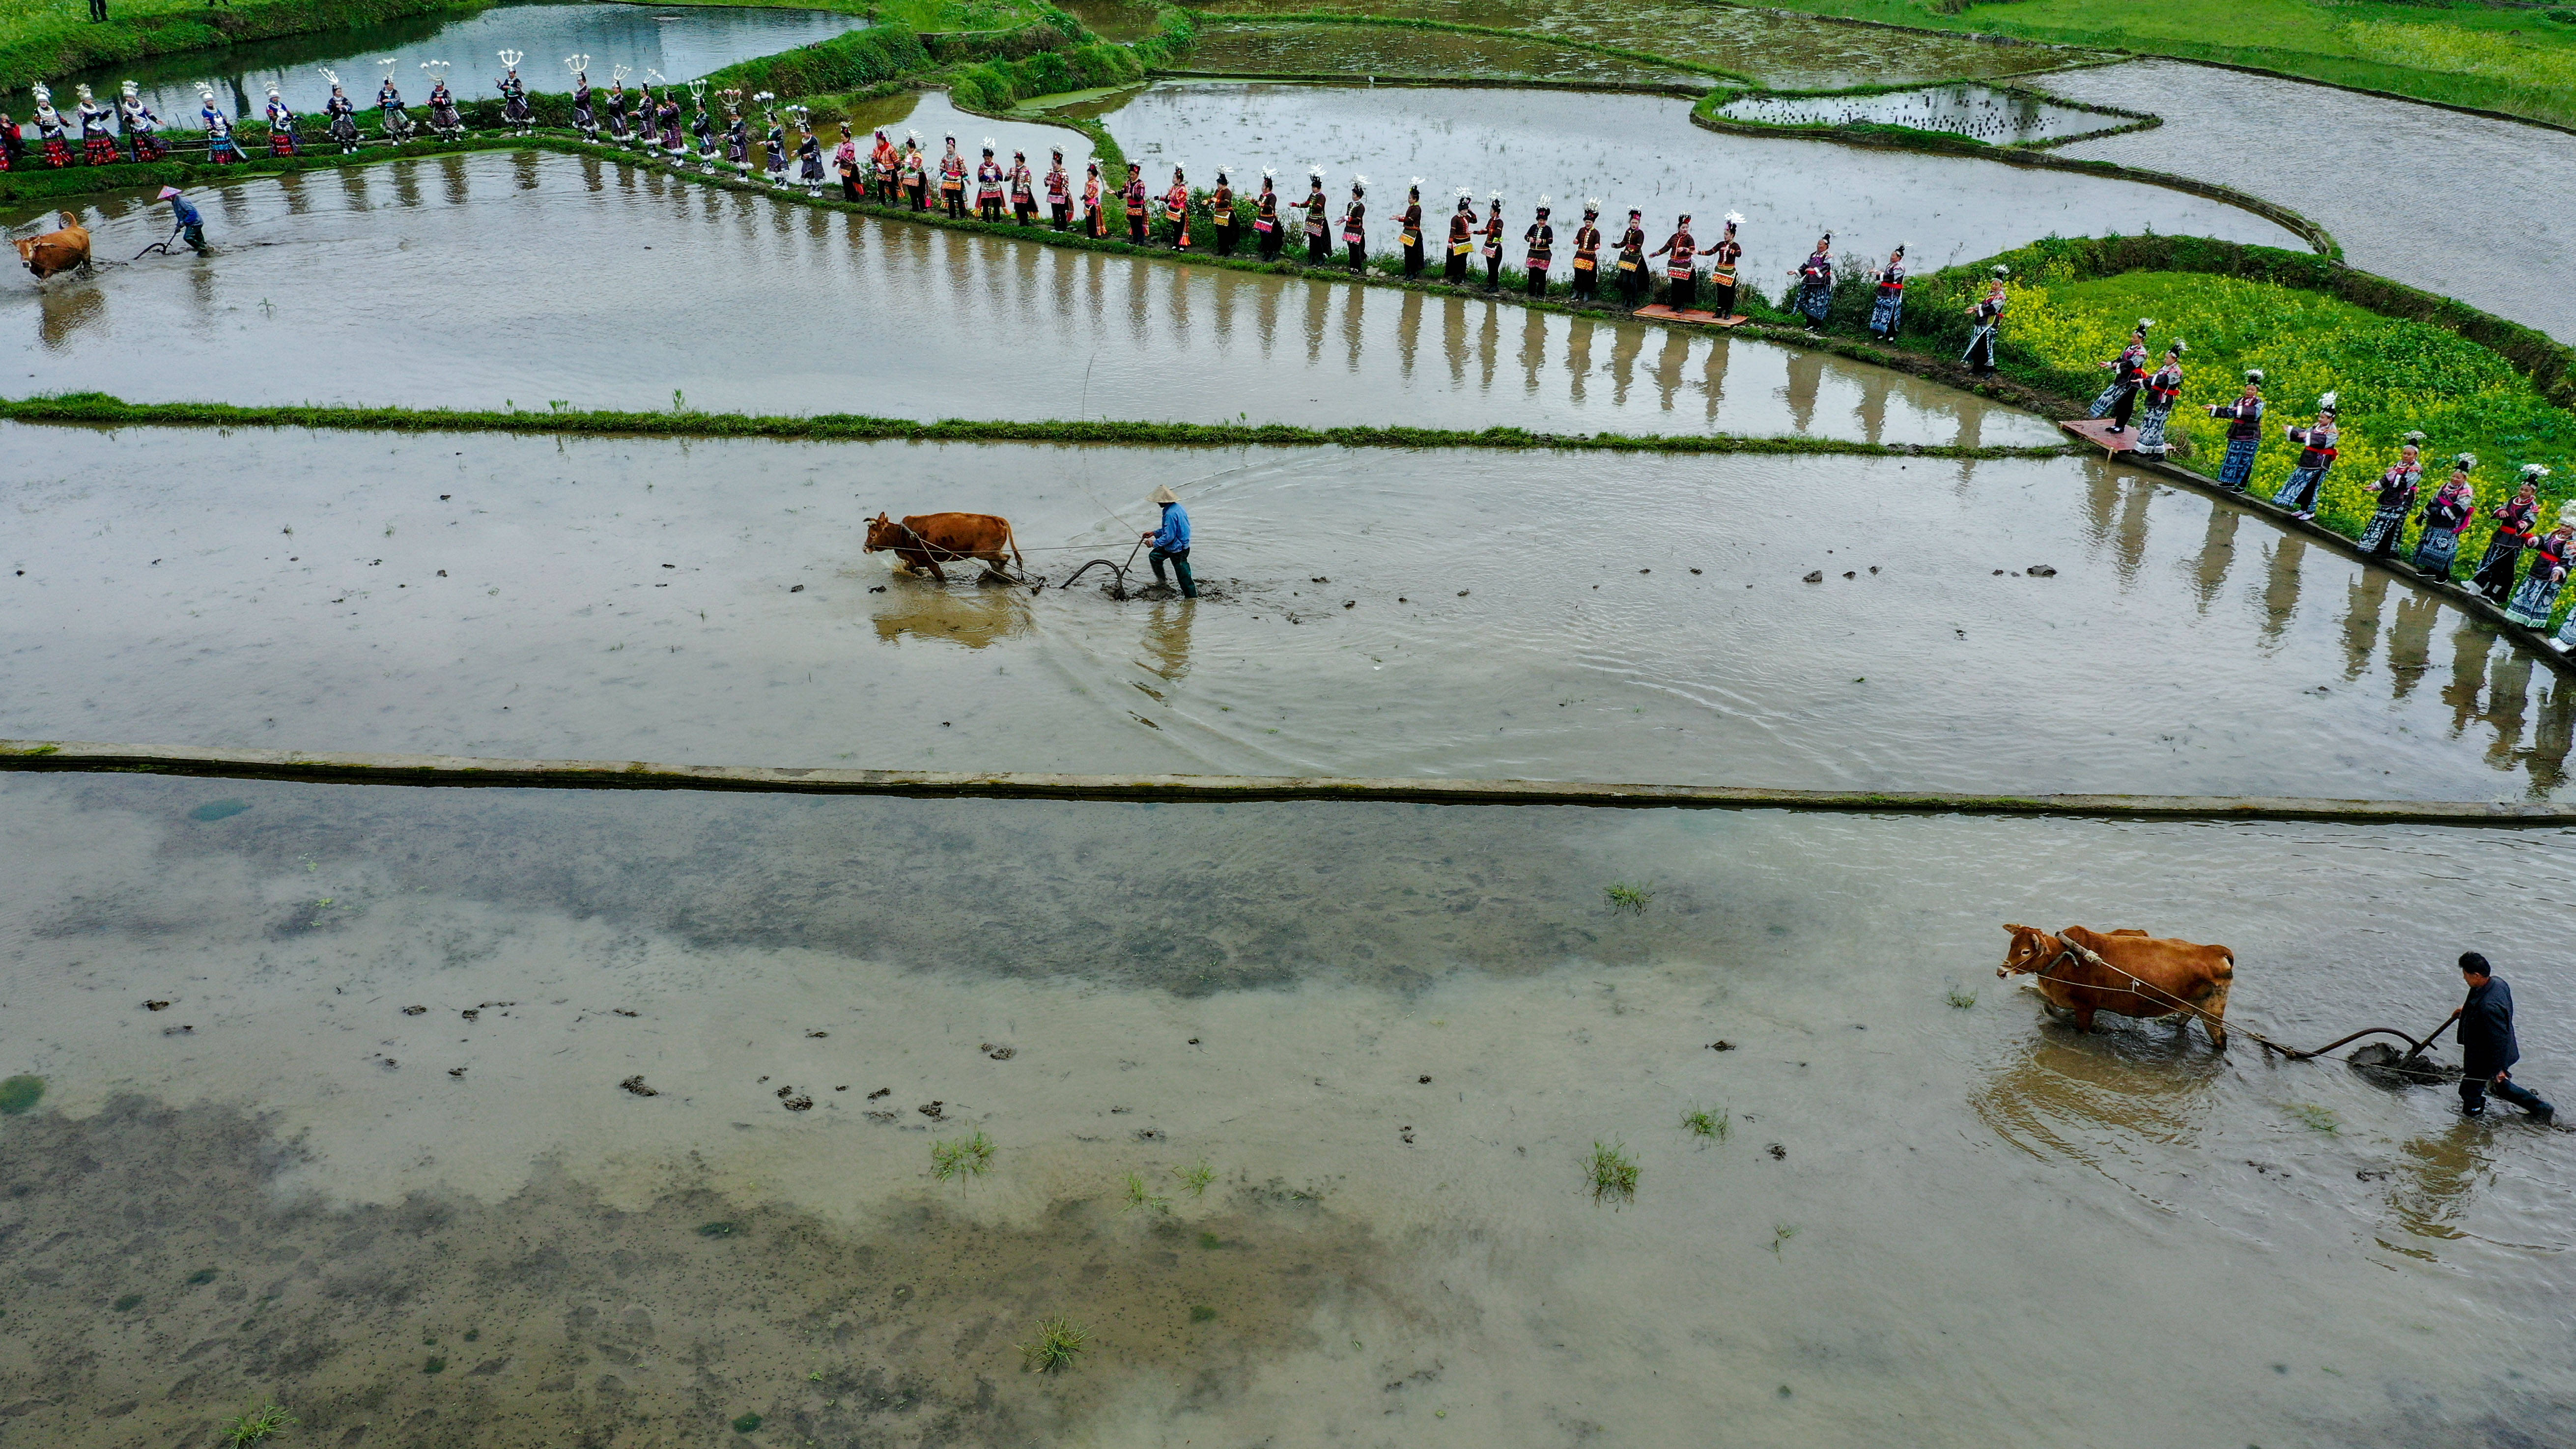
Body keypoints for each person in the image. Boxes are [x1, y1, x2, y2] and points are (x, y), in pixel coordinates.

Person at [2450, 953, 2554, 1121]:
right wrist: (2467, 1010)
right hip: (2488, 1050)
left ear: (2476, 975)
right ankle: (2539, 1108)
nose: (2464, 978)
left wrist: (2499, 1068)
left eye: (2465, 974)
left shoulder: (2489, 1007)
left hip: (2486, 1056)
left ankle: (2472, 1121)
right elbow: (2484, 1003)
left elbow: (2499, 1039)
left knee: (2470, 1090)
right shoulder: (2497, 983)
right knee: (2499, 1087)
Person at [2472, 467, 2546, 603]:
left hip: (2514, 540)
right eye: (2522, 489)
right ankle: (2485, 589)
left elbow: (2530, 520)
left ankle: (2500, 595)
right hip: (2501, 536)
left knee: (2506, 568)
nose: (2523, 492)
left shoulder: (2532, 507)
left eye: (2526, 490)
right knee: (2492, 561)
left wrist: (2523, 524)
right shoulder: (2513, 500)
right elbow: (2501, 509)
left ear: (2533, 492)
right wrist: (2500, 512)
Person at [2503, 503, 2575, 630]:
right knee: (2529, 592)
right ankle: (2523, 618)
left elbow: (2567, 562)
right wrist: (2534, 541)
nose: (2563, 528)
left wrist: (2558, 571)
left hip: (2551, 572)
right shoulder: (2554, 534)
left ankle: (2535, 624)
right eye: (2562, 525)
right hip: (2539, 566)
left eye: (2567, 526)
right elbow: (2543, 541)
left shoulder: (2571, 545)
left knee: (2541, 597)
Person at [2271, 392, 2339, 520]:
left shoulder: (2332, 432)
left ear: (2330, 420)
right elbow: (2304, 434)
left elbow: (2322, 442)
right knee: (2301, 484)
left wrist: (2308, 436)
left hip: (2319, 464)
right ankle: (2302, 508)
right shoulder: (2316, 427)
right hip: (2308, 459)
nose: (2320, 420)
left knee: (2312, 487)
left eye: (2323, 418)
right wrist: (2292, 430)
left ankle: (2310, 511)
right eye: (2320, 417)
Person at [2357, 433, 2426, 558]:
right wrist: (2374, 487)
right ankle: (2377, 547)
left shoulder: (2416, 469)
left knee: (2394, 526)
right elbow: (2387, 479)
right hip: (2389, 497)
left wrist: (2393, 475)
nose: (2406, 456)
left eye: (2409, 454)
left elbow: (2405, 483)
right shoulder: (2399, 464)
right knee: (2381, 521)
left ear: (2415, 455)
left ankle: (2390, 551)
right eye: (2404, 453)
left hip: (2403, 499)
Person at [2413, 454, 2477, 579]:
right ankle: (2429, 569)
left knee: (2444, 548)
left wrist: (2440, 511)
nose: (2455, 479)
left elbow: (2460, 508)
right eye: (2453, 476)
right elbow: (2433, 500)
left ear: (2464, 478)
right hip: (2435, 521)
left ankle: (2444, 574)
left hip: (2449, 524)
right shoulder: (2445, 486)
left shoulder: (2466, 491)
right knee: (2430, 545)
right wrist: (2423, 515)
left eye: (2458, 477)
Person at [2203, 369, 2264, 491]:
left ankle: (2241, 486)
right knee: (2232, 458)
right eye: (2248, 389)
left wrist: (2237, 410)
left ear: (2257, 391)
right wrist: (2214, 408)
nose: (2250, 392)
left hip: (2250, 435)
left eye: (2253, 390)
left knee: (2245, 461)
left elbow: (2254, 414)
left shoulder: (2259, 403)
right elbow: (2228, 412)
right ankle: (2229, 482)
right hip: (2236, 432)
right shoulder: (2238, 401)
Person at [2092, 319, 2151, 431]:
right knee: (2119, 399)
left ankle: (2121, 426)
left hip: (2133, 380)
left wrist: (2116, 366)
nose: (2132, 339)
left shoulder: (2141, 353)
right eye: (2132, 337)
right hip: (2123, 378)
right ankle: (2117, 424)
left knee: (2127, 402)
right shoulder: (2129, 348)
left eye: (2134, 338)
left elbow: (2131, 365)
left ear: (2141, 339)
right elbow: (2121, 359)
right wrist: (2109, 364)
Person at [1141, 484, 1196, 599]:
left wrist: (1153, 543)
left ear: (1164, 501)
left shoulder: (1171, 514)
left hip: (1179, 549)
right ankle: (1162, 583)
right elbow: (1169, 531)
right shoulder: (1175, 508)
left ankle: (1191, 599)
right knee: (1155, 556)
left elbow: (1169, 537)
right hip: (1173, 544)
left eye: (1159, 501)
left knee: (1183, 576)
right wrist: (1154, 533)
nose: (1158, 503)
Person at [2132, 341, 2185, 458]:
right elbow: (2157, 378)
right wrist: (2147, 379)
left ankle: (2159, 452)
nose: (2165, 360)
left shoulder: (2176, 372)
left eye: (2167, 358)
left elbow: (2163, 381)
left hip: (2163, 402)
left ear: (2174, 359)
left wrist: (2145, 381)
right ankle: (2143, 448)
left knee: (2157, 426)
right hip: (2154, 399)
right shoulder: (2165, 368)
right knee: (2148, 423)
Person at [1961, 265, 2008, 375]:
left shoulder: (2001, 297)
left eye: (1996, 285)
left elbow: (1991, 309)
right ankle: (1977, 368)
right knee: (1978, 344)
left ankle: (1989, 370)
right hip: (1982, 323)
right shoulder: (1989, 294)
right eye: (1993, 284)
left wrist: (1976, 309)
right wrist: (1974, 308)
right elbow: (1983, 304)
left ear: (2001, 286)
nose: (1994, 286)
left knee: (1988, 345)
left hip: (1991, 324)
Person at [1652, 212, 1696, 311]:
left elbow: (1693, 251)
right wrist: (1656, 254)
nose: (1685, 230)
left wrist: (1685, 249)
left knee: (1682, 286)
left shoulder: (1689, 239)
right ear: (1679, 228)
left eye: (1686, 228)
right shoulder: (1674, 237)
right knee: (1674, 285)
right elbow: (1666, 247)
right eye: (1683, 228)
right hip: (1674, 264)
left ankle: (1681, 305)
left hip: (1684, 265)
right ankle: (1675, 304)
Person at [119, 81, 167, 162]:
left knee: (150, 141)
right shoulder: (125, 107)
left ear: (134, 97)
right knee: (138, 143)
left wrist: (156, 120)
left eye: (130, 97)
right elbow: (124, 117)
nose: (128, 99)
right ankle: (141, 158)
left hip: (145, 126)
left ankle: (154, 155)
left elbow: (149, 114)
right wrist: (132, 120)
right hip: (135, 128)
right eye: (127, 98)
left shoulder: (142, 105)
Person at [1792, 234, 1833, 328]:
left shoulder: (1829, 256)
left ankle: (1817, 325)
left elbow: (1826, 267)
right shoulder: (1812, 255)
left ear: (1826, 246)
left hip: (1822, 283)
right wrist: (1795, 272)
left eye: (1821, 245)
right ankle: (1808, 323)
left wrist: (1814, 270)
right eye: (1818, 244)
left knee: (1819, 304)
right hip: (1810, 282)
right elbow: (1805, 266)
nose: (1819, 246)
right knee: (1807, 302)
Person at [1867, 244, 1906, 341]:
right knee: (1881, 312)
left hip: (1893, 294)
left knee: (1891, 314)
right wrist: (1874, 274)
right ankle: (1881, 333)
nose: (1891, 257)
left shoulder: (1900, 267)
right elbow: (1884, 278)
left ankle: (1891, 335)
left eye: (1894, 256)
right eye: (1891, 255)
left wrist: (1879, 273)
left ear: (1899, 258)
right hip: (1884, 293)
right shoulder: (1890, 266)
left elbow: (1891, 278)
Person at [197, 82, 242, 164]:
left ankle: (230, 161)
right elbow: (208, 124)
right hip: (216, 133)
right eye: (208, 101)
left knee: (228, 146)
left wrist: (229, 126)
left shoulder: (217, 110)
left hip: (224, 130)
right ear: (205, 103)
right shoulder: (205, 112)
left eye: (211, 101)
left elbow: (223, 118)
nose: (210, 103)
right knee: (220, 148)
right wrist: (213, 131)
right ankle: (222, 162)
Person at [1709, 213, 1743, 317]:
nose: (1725, 236)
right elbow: (1711, 251)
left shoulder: (1735, 246)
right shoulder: (1720, 244)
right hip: (1720, 271)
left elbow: (1739, 254)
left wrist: (1730, 251)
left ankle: (1728, 311)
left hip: (1729, 272)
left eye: (1727, 235)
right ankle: (1719, 311)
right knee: (1721, 292)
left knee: (1729, 292)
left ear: (1732, 235)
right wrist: (1698, 252)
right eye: (1724, 234)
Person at [75, 84, 117, 165]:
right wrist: (92, 117)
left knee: (106, 144)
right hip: (90, 130)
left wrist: (105, 116)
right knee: (94, 147)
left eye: (91, 99)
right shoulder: (81, 108)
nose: (91, 101)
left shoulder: (93, 107)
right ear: (84, 100)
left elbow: (99, 119)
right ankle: (95, 161)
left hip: (99, 128)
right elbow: (84, 120)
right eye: (89, 99)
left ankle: (107, 159)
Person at [1568, 201, 1601, 303]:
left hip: (1590, 257)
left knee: (1588, 277)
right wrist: (1576, 241)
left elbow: (1597, 243)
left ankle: (1587, 294)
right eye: (1586, 222)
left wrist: (1597, 245)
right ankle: (1576, 292)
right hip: (1580, 255)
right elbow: (1577, 239)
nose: (1588, 224)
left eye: (1589, 222)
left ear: (1593, 223)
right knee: (1578, 275)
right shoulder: (1581, 230)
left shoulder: (1596, 233)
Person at [158, 185, 207, 254]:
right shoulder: (175, 203)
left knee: (188, 237)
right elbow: (180, 216)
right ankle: (205, 251)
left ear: (172, 196)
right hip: (191, 223)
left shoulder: (182, 201)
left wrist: (184, 222)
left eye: (167, 197)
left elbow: (193, 213)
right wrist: (178, 226)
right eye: (166, 198)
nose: (167, 199)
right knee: (199, 240)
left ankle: (203, 249)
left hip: (195, 223)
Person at [1613, 207, 1646, 307]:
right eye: (1632, 222)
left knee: (1632, 281)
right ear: (1630, 222)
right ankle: (1625, 299)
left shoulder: (1640, 234)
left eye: (1636, 223)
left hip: (1635, 259)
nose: (1634, 224)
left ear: (1639, 223)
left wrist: (1630, 251)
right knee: (1625, 280)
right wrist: (1617, 246)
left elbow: (1638, 246)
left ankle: (1633, 300)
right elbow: (1624, 242)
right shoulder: (1628, 232)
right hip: (1626, 258)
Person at [1522, 198, 1553, 297]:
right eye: (1540, 220)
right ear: (1538, 220)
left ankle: (1540, 294)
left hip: (1544, 254)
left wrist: (1543, 241)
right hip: (1533, 253)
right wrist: (1529, 239)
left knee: (1542, 275)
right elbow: (1526, 236)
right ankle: (1531, 292)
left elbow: (1551, 240)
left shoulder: (1548, 229)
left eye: (1544, 220)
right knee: (1532, 274)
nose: (1542, 222)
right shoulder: (1533, 227)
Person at [1444, 190, 1475, 284]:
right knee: (1457, 261)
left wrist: (1470, 212)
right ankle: (1456, 277)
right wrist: (1450, 242)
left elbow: (1475, 220)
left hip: (1466, 241)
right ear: (1460, 210)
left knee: (1463, 261)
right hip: (1458, 242)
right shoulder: (1455, 219)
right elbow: (1452, 231)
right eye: (1464, 210)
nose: (1466, 212)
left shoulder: (1467, 218)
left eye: (1466, 210)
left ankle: (1462, 276)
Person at [322, 77, 360, 154]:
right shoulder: (332, 101)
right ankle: (345, 148)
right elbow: (329, 110)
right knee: (340, 132)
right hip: (337, 119)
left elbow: (350, 106)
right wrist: (326, 111)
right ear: (334, 93)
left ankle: (353, 146)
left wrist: (344, 107)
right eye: (338, 92)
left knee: (352, 131)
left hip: (346, 118)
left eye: (341, 92)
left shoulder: (345, 99)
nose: (340, 93)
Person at [1302, 169, 1330, 265]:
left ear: (1319, 188)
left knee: (1319, 241)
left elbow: (1318, 207)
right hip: (1311, 220)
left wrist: (1310, 204)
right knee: (1312, 240)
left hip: (1319, 221)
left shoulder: (1322, 197)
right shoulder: (1312, 195)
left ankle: (1321, 258)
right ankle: (1312, 257)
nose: (1313, 189)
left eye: (1315, 187)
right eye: (1313, 187)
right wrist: (1297, 205)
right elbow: (1307, 204)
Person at [497, 58, 532, 134]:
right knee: (512, 114)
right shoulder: (507, 80)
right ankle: (518, 130)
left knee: (524, 111)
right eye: (509, 73)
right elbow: (504, 88)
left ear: (514, 73)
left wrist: (510, 88)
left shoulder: (517, 81)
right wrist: (499, 84)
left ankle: (527, 128)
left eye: (512, 73)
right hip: (511, 99)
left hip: (517, 98)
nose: (510, 75)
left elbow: (519, 89)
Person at [1398, 180, 1424, 279]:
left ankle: (1413, 273)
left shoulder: (1417, 209)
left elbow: (1410, 220)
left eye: (1410, 198)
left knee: (1413, 254)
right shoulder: (1411, 208)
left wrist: (1399, 218)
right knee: (1407, 254)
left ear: (1415, 199)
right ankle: (1407, 272)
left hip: (1414, 234)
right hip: (1407, 232)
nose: (1409, 200)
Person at [1340, 176, 1367, 272]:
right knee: (1351, 250)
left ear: (1359, 197)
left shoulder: (1361, 207)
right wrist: (1343, 220)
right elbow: (1348, 215)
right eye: (1353, 194)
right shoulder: (1350, 205)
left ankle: (1358, 268)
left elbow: (1358, 219)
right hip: (1349, 230)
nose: (1353, 196)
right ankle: (1352, 267)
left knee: (1357, 251)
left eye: (1355, 195)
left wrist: (1347, 218)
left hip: (1357, 230)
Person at [1254, 169, 1282, 261]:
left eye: (1263, 186)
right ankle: (1266, 253)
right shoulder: (1262, 196)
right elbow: (1259, 204)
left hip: (1270, 220)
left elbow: (1270, 208)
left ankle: (1272, 254)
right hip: (1262, 219)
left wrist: (1261, 204)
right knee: (1263, 238)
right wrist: (1252, 201)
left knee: (1270, 238)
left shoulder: (1272, 197)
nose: (1262, 187)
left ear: (1267, 188)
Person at [1209, 168, 1237, 256]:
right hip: (1219, 215)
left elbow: (1226, 202)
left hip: (1227, 215)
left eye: (1219, 184)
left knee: (1226, 233)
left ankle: (1227, 249)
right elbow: (1214, 199)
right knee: (1220, 233)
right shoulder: (1218, 191)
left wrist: (1216, 201)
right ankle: (1221, 249)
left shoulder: (1228, 192)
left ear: (1223, 184)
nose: (1218, 186)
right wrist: (1208, 201)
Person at [1479, 194, 1504, 291]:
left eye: (1492, 211)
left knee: (1495, 267)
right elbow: (1486, 230)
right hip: (1489, 247)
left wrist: (1489, 230)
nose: (1490, 213)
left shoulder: (1500, 222)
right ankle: (1490, 284)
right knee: (1490, 266)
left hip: (1496, 248)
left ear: (1496, 213)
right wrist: (1476, 232)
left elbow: (1498, 233)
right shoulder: (1491, 220)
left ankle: (1495, 286)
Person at [1161, 165, 1188, 247]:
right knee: (1175, 229)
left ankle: (1182, 246)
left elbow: (1177, 200)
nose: (1173, 180)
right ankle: (1175, 245)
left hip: (1180, 212)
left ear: (1179, 180)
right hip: (1173, 211)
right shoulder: (1173, 188)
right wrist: (1160, 198)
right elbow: (1168, 197)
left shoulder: (1183, 189)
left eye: (1174, 178)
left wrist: (1169, 197)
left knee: (1181, 229)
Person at [939, 135, 966, 218]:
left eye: (950, 148)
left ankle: (963, 215)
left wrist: (965, 177)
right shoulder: (944, 158)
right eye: (947, 148)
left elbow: (963, 169)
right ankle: (952, 216)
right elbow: (942, 168)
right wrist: (946, 174)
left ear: (954, 148)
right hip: (948, 181)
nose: (949, 150)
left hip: (957, 180)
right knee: (950, 198)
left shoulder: (959, 158)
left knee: (959, 198)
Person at [1124, 161, 1149, 245]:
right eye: (1130, 175)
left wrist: (1130, 195)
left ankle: (1141, 242)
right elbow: (1123, 192)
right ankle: (1135, 241)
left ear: (1137, 174)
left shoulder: (1141, 184)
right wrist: (1115, 193)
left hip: (1138, 207)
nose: (1131, 177)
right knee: (1133, 225)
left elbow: (1140, 197)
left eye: (1133, 175)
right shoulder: (1128, 183)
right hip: (1130, 207)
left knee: (1139, 225)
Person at [978, 145, 1005, 223]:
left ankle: (997, 220)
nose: (987, 160)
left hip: (995, 188)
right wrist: (987, 178)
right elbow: (980, 176)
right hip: (986, 188)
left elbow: (1001, 176)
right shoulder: (982, 167)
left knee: (997, 204)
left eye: (988, 159)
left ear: (992, 158)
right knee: (985, 204)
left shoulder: (996, 166)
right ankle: (986, 219)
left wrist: (995, 178)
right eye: (985, 159)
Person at [570, 64, 597, 143]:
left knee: (589, 124)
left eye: (580, 81)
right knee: (582, 124)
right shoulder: (580, 89)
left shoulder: (587, 90)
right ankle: (588, 136)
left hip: (586, 109)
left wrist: (574, 95)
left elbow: (581, 98)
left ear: (584, 81)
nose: (579, 83)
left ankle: (595, 138)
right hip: (579, 109)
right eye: (578, 81)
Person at [1045, 147, 1071, 229]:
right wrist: (1047, 182)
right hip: (1053, 194)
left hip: (1060, 195)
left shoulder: (1063, 173)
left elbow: (1066, 182)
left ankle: (1063, 227)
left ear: (1059, 164)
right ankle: (1057, 226)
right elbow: (1046, 179)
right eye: (1052, 164)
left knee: (1062, 212)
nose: (1053, 166)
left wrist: (1063, 188)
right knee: (1055, 211)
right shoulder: (1050, 172)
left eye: (1055, 164)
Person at [1011, 150, 1037, 227]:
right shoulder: (1013, 169)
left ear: (1022, 162)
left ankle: (1025, 222)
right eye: (1016, 162)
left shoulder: (1026, 170)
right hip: (1016, 192)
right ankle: (1021, 222)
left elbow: (1028, 179)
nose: (1016, 163)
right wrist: (1009, 175)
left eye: (1018, 162)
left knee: (1024, 208)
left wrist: (1026, 187)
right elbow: (1007, 178)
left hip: (1023, 192)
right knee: (1018, 208)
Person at [1079, 158, 1102, 236]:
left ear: (1094, 175)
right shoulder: (1088, 183)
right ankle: (1090, 235)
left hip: (1093, 204)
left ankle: (1093, 235)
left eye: (1090, 175)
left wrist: (1084, 197)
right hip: (1087, 204)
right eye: (1088, 175)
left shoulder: (1095, 184)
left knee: (1093, 221)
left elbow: (1091, 194)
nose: (1089, 176)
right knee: (1088, 220)